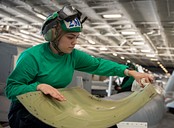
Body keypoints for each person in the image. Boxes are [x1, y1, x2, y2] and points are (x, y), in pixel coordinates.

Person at [5, 5, 153, 128]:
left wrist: (130, 72)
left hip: (53, 107)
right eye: (70, 37)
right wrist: (38, 87)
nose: (75, 42)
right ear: (53, 35)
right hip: (25, 111)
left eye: (76, 37)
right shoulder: (32, 57)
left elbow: (98, 65)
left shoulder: (72, 55)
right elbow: (11, 89)